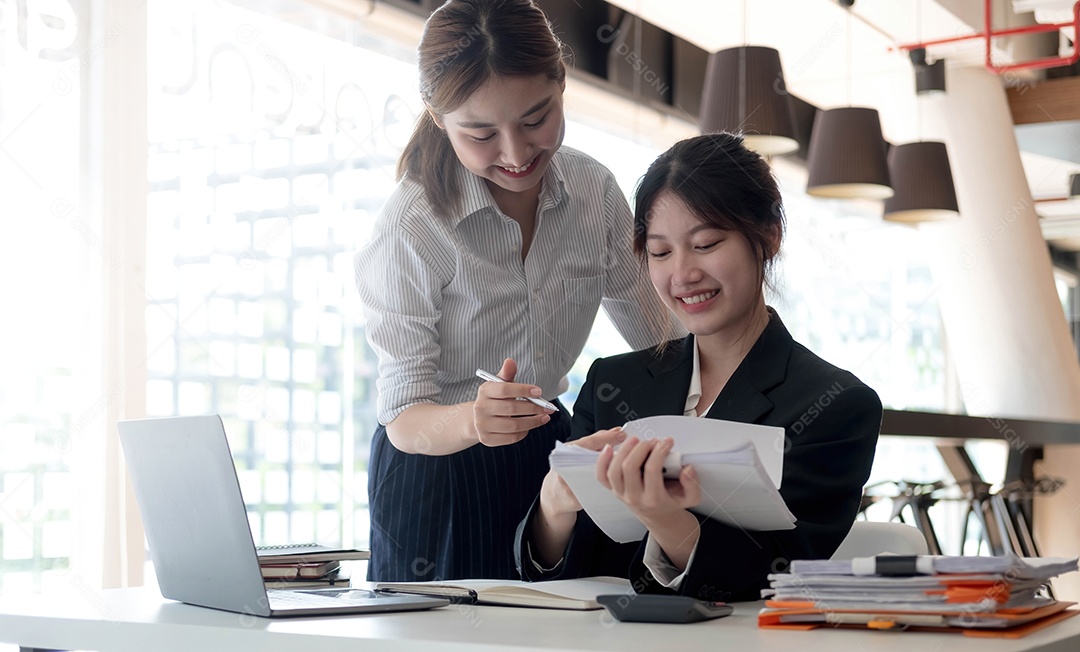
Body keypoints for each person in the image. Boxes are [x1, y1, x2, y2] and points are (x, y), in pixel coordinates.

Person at [355, 0, 679, 582]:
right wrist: (473, 421)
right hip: (437, 468)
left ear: (562, 84)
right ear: (438, 118)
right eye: (480, 133)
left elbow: (662, 343)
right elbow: (403, 415)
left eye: (536, 119)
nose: (516, 152)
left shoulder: (592, 193)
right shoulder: (412, 226)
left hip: (545, 456)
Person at [515, 133, 882, 603]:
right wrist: (554, 505)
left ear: (768, 236)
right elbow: (563, 574)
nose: (682, 274)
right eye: (661, 252)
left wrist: (665, 517)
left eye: (706, 244)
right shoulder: (611, 383)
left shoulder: (835, 405)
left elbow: (776, 572)